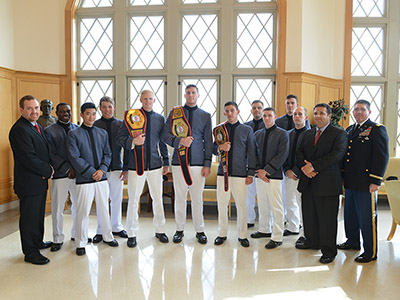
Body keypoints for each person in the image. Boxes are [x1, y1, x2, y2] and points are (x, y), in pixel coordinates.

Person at [116, 90, 170, 248]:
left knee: (158, 198)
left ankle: (160, 230)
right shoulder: (131, 117)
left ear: (154, 100)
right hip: (135, 165)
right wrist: (133, 141)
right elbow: (120, 138)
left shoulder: (160, 119)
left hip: (155, 165)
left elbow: (162, 142)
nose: (148, 101)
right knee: (133, 200)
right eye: (145, 98)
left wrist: (166, 161)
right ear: (140, 99)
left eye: (150, 99)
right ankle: (132, 233)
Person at [295, 103, 347, 264]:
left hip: (327, 182)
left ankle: (329, 250)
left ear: (329, 116)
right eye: (315, 113)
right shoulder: (308, 133)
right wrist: (306, 169)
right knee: (309, 216)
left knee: (327, 219)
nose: (318, 116)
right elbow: (298, 152)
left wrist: (314, 166)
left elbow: (337, 154)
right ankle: (312, 241)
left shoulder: (339, 133)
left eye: (322, 113)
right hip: (308, 181)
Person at [338, 99, 389, 263]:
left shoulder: (376, 130)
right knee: (350, 214)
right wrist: (343, 177)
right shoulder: (350, 129)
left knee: (367, 218)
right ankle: (352, 242)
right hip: (351, 181)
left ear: (369, 112)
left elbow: (382, 157)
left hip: (367, 182)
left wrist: (376, 180)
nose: (358, 112)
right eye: (356, 109)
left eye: (362, 109)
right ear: (353, 112)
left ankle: (370, 252)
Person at [162, 84, 212, 244]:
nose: (191, 95)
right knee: (180, 197)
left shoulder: (205, 115)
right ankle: (179, 229)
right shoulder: (175, 113)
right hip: (178, 163)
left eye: (193, 93)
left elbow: (208, 142)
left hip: (198, 163)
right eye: (188, 93)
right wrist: (179, 141)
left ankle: (200, 230)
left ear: (198, 95)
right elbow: (165, 135)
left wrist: (207, 163)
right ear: (184, 95)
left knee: (197, 198)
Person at [67, 102, 118, 256]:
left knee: (104, 208)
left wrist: (102, 170)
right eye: (88, 113)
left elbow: (108, 154)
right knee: (83, 211)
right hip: (84, 179)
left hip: (101, 178)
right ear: (82, 114)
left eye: (94, 114)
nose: (91, 117)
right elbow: (74, 157)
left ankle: (108, 236)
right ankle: (81, 242)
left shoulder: (102, 133)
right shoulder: (73, 134)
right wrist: (91, 172)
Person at [9, 95, 54, 265]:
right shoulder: (19, 129)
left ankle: (37, 242)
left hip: (39, 181)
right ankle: (30, 252)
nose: (34, 111)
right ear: (21, 110)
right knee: (29, 218)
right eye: (30, 108)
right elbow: (28, 157)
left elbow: (43, 151)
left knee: (37, 216)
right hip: (29, 182)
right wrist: (48, 170)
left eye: (36, 108)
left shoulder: (35, 126)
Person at [213, 101, 256, 248]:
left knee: (241, 205)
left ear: (238, 112)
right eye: (227, 111)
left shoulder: (247, 130)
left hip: (240, 174)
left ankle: (242, 235)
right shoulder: (219, 129)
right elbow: (213, 149)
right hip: (222, 174)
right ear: (224, 113)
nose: (230, 113)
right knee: (222, 204)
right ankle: (222, 233)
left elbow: (251, 153)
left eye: (232, 110)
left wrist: (250, 173)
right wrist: (220, 147)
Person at [92, 97, 129, 243]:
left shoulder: (121, 124)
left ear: (114, 107)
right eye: (104, 107)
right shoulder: (95, 125)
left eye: (109, 106)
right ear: (100, 108)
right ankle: (101, 230)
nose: (107, 109)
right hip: (100, 170)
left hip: (117, 169)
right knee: (101, 201)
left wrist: (126, 168)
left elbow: (127, 148)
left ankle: (116, 227)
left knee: (116, 199)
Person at [44, 103, 80, 252]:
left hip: (78, 175)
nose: (66, 113)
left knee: (78, 206)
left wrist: (77, 168)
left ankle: (77, 234)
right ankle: (57, 238)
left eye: (68, 111)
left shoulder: (77, 129)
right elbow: (51, 154)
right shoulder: (49, 131)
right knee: (58, 207)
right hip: (60, 174)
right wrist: (67, 168)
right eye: (63, 111)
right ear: (57, 113)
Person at [251, 107, 289, 249]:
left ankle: (277, 236)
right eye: (264, 116)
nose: (267, 118)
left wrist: (266, 170)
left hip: (274, 175)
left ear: (275, 117)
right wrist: (258, 171)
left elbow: (282, 155)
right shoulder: (257, 134)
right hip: (259, 175)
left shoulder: (282, 134)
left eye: (269, 116)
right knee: (262, 203)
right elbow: (253, 154)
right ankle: (264, 229)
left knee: (276, 205)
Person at [282, 106, 309, 236]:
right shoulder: (288, 134)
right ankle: (293, 227)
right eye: (295, 114)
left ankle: (306, 230)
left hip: (303, 174)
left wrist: (297, 171)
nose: (297, 116)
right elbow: (284, 154)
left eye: (300, 114)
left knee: (302, 202)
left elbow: (309, 156)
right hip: (288, 173)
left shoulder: (311, 134)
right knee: (290, 200)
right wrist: (287, 169)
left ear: (306, 117)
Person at [244, 100, 265, 228]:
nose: (257, 110)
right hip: (249, 166)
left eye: (259, 108)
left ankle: (265, 224)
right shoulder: (246, 126)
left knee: (264, 198)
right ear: (251, 111)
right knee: (248, 196)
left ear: (262, 110)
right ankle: (249, 220)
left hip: (264, 166)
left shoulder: (268, 125)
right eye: (254, 108)